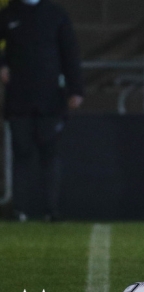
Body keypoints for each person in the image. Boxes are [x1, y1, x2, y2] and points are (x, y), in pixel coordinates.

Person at [0, 0, 84, 221]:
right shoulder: (8, 14)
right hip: (18, 99)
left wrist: (76, 89)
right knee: (22, 153)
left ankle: (51, 210)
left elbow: (70, 52)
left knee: (50, 154)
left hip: (50, 100)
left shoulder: (55, 14)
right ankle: (20, 210)